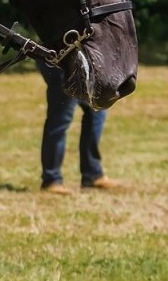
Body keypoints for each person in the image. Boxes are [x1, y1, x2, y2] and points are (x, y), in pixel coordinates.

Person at [38, 59, 120, 193]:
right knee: (60, 120)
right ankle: (51, 179)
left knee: (97, 115)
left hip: (90, 62)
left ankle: (92, 174)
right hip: (63, 60)